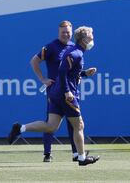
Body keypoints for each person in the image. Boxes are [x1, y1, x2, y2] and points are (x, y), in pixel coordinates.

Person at [8, 26, 100, 166]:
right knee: (79, 125)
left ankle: (20, 128)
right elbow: (62, 72)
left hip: (56, 93)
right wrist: (67, 91)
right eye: (91, 35)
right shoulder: (76, 53)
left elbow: (69, 73)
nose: (93, 38)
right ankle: (81, 158)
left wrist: (85, 73)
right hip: (65, 94)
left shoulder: (74, 51)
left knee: (51, 126)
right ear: (83, 39)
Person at [31, 21, 96, 162]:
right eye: (63, 32)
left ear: (72, 33)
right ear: (58, 32)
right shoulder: (52, 47)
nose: (66, 34)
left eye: (68, 32)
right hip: (59, 90)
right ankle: (48, 153)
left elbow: (72, 72)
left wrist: (84, 73)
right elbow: (35, 62)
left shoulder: (74, 47)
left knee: (68, 123)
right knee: (61, 123)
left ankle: (76, 153)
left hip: (68, 89)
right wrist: (43, 78)